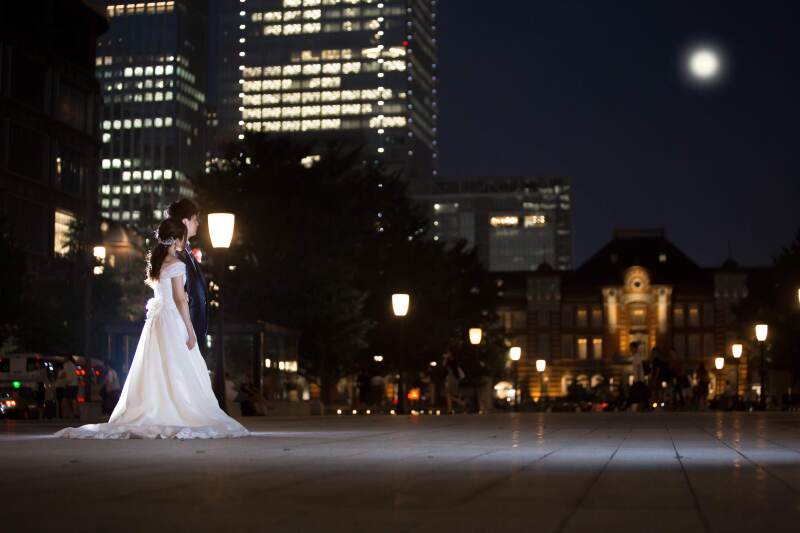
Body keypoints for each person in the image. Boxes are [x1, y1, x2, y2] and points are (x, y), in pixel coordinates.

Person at [55, 218, 248, 439]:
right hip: (172, 320)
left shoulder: (159, 262)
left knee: (156, 366)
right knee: (179, 367)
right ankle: (177, 410)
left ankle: (156, 409)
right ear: (176, 239)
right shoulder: (176, 264)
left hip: (157, 322)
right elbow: (179, 299)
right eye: (183, 238)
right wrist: (190, 328)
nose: (185, 242)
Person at [167, 199, 208, 352]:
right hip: (184, 330)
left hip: (196, 327)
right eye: (195, 219)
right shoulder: (175, 255)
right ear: (185, 222)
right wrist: (189, 330)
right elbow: (180, 296)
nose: (197, 223)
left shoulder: (187, 251)